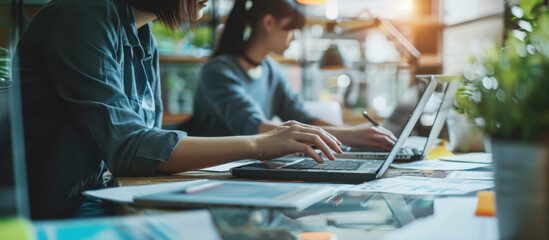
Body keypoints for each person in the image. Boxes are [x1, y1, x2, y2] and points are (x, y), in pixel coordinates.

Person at [16, 0, 342, 219]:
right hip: (59, 213)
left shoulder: (142, 36)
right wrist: (259, 144)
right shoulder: (81, 17)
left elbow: (146, 141)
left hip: (98, 198)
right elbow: (131, 147)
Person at [193, 0, 397, 149]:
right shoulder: (218, 71)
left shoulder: (271, 70)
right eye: (292, 28)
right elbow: (253, 126)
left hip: (251, 165)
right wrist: (350, 134)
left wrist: (355, 135)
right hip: (214, 171)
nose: (294, 37)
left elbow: (303, 117)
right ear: (269, 22)